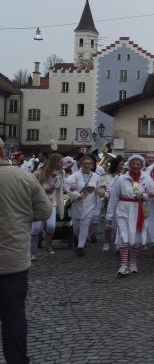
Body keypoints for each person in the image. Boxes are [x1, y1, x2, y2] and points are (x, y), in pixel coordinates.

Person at [0, 139, 52, 364]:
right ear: (3, 152)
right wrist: (20, 217)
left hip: (13, 259)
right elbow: (45, 211)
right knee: (14, 315)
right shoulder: (24, 177)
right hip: (13, 259)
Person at [107, 155, 154, 276]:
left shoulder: (146, 178)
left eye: (138, 164)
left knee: (136, 238)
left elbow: (153, 194)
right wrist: (109, 215)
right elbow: (114, 197)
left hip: (139, 210)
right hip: (123, 209)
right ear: (129, 165)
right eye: (133, 164)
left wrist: (143, 196)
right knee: (123, 236)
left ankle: (133, 262)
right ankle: (124, 264)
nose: (135, 166)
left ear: (142, 165)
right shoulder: (122, 178)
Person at [64, 155, 100, 257]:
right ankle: (78, 238)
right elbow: (66, 185)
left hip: (90, 206)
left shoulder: (96, 177)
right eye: (84, 163)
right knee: (77, 228)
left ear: (92, 165)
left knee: (85, 225)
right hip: (76, 206)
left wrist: (102, 193)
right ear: (81, 164)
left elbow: (99, 189)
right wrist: (76, 195)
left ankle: (80, 247)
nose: (87, 165)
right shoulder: (75, 176)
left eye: (89, 163)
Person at [31, 154, 64, 258]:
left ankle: (47, 244)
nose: (62, 164)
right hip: (38, 203)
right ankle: (33, 251)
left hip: (51, 202)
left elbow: (59, 187)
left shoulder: (61, 173)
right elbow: (31, 186)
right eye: (60, 162)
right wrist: (44, 190)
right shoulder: (39, 173)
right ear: (54, 163)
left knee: (51, 226)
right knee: (36, 228)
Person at [99, 156, 125, 252]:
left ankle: (118, 243)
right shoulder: (105, 176)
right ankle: (107, 242)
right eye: (121, 164)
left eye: (123, 164)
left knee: (120, 224)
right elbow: (102, 189)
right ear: (116, 165)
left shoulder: (124, 175)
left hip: (121, 203)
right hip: (108, 202)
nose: (123, 166)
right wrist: (107, 195)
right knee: (108, 224)